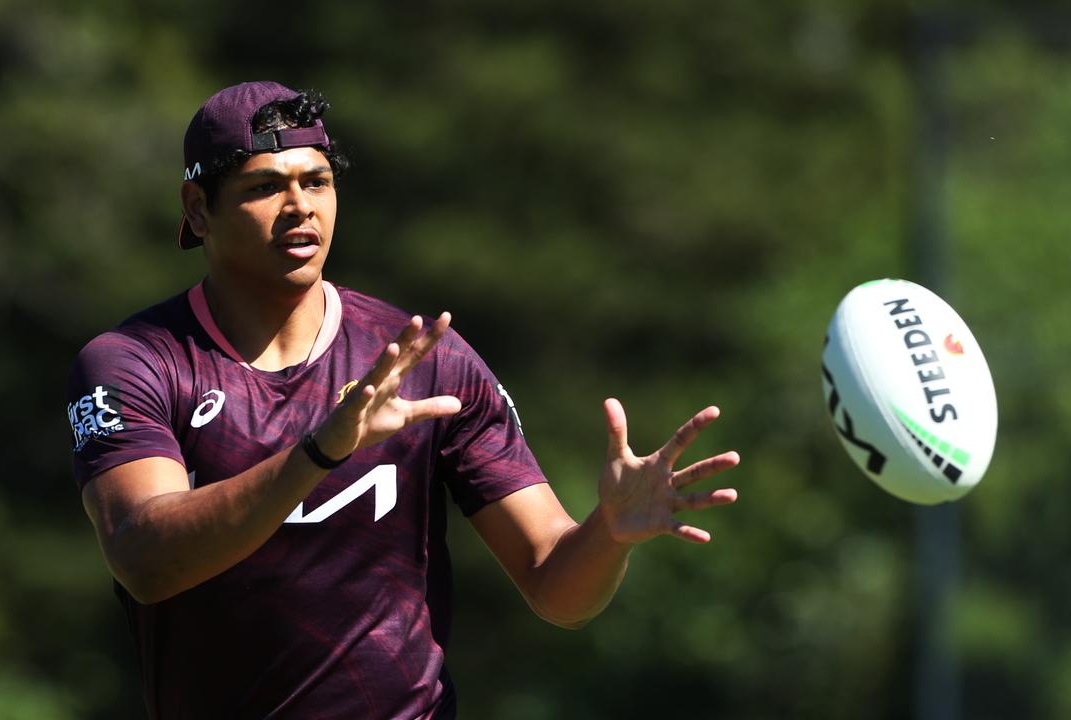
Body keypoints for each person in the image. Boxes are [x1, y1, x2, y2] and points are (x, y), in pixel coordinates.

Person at [66, 80, 741, 719]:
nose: (300, 206)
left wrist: (609, 533)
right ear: (197, 211)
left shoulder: (423, 359)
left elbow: (556, 586)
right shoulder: (135, 363)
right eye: (264, 187)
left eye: (318, 182)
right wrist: (321, 451)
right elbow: (146, 560)